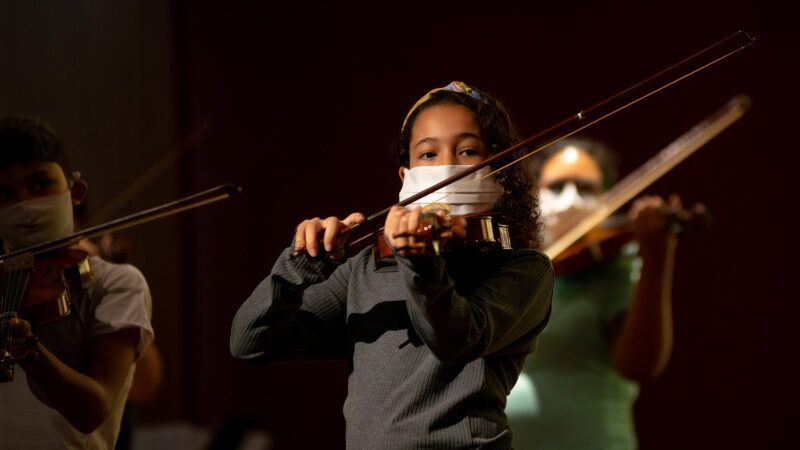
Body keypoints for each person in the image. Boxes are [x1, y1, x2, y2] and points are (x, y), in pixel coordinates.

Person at [230, 81, 554, 449]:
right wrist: (300, 265)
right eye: (428, 155)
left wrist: (418, 261)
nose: (447, 166)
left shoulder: (523, 269)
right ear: (406, 176)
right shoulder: (368, 269)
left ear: (499, 167)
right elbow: (250, 342)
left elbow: (456, 339)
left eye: (467, 151)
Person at [505, 137, 682, 450]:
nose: (571, 199)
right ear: (534, 197)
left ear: (608, 198)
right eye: (556, 187)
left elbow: (639, 364)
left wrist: (656, 258)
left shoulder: (616, 269)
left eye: (586, 188)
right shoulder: (518, 273)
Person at [0, 116, 154, 449]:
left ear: (76, 192)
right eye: (6, 193)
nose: (23, 205)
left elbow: (92, 410)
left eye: (39, 184)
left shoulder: (114, 283)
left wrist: (29, 352)